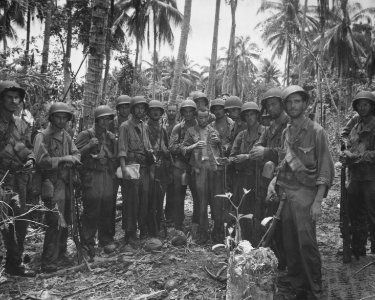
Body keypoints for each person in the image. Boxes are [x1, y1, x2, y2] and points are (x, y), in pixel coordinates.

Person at [269, 85, 334, 300]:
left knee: (307, 244)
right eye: (289, 102)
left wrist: (317, 202)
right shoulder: (286, 132)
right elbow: (283, 162)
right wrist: (274, 182)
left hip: (306, 194)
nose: (293, 105)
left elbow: (325, 167)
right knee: (290, 243)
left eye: (297, 101)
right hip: (287, 193)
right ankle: (298, 287)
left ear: (305, 104)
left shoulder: (317, 131)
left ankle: (314, 290)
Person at [34, 102, 81, 273]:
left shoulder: (66, 136)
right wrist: (62, 160)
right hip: (51, 184)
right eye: (58, 117)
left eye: (65, 117)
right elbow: (41, 161)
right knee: (54, 220)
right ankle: (49, 261)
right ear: (51, 117)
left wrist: (72, 158)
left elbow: (76, 153)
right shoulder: (43, 136)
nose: (61, 120)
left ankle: (61, 253)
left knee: (66, 219)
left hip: (66, 183)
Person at [249, 87, 289, 269]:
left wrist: (266, 152)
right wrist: (261, 149)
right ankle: (273, 257)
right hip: (266, 179)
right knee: (267, 216)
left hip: (284, 179)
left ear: (282, 104)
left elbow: (288, 153)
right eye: (268, 105)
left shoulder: (289, 125)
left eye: (274, 104)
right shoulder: (270, 127)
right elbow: (257, 145)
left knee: (282, 221)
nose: (271, 108)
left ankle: (285, 262)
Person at [0, 81, 35, 276]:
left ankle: (14, 264)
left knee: (20, 221)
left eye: (17, 98)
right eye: (9, 97)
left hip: (17, 179)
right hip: (1, 178)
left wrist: (30, 159)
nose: (14, 101)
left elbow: (26, 147)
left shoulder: (21, 123)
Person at [75, 105, 117, 257]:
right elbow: (75, 155)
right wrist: (89, 146)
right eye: (103, 118)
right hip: (91, 176)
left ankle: (105, 240)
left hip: (107, 175)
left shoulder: (110, 136)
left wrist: (115, 143)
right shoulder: (85, 134)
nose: (106, 121)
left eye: (108, 118)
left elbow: (115, 156)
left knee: (107, 207)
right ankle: (87, 244)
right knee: (91, 210)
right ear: (97, 119)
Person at [340, 91, 375, 258]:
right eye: (359, 105)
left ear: (371, 106)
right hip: (355, 176)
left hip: (371, 177)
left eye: (366, 104)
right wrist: (346, 150)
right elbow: (345, 138)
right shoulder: (355, 125)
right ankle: (358, 248)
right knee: (354, 213)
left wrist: (359, 156)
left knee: (372, 214)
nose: (362, 107)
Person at [182, 108, 222, 244]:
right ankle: (203, 233)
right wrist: (193, 145)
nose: (203, 120)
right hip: (199, 170)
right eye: (200, 118)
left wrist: (219, 142)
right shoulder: (191, 131)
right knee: (201, 201)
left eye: (205, 117)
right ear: (196, 118)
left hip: (213, 170)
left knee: (216, 201)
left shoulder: (213, 131)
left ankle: (217, 233)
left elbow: (221, 152)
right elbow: (183, 149)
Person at [229, 102, 265, 245]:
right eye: (247, 115)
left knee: (259, 212)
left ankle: (259, 244)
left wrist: (248, 157)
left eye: (252, 114)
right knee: (242, 211)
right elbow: (232, 155)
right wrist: (237, 159)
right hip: (243, 178)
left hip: (260, 178)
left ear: (257, 115)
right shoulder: (241, 135)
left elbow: (270, 153)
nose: (250, 117)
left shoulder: (265, 132)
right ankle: (244, 243)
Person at [118, 96, 152, 244]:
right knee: (131, 201)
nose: (140, 110)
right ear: (132, 109)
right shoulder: (125, 126)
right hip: (131, 165)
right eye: (137, 107)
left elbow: (148, 146)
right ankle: (129, 233)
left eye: (143, 108)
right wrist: (124, 168)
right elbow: (122, 149)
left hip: (143, 167)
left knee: (144, 199)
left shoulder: (144, 126)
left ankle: (142, 229)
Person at [169, 99, 199, 232]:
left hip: (196, 166)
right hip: (180, 166)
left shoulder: (200, 126)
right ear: (182, 113)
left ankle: (196, 223)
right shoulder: (178, 128)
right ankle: (178, 224)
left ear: (194, 112)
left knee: (197, 195)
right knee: (178, 195)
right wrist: (184, 148)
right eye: (185, 111)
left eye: (190, 111)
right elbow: (171, 147)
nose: (188, 114)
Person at [209, 98, 234, 242]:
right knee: (216, 198)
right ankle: (217, 228)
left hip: (230, 166)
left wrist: (224, 146)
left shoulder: (232, 124)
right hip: (216, 167)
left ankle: (229, 230)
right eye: (215, 109)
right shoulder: (211, 125)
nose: (218, 111)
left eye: (220, 108)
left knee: (229, 197)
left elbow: (235, 141)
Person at [146, 100, 171, 236]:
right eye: (152, 110)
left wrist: (165, 151)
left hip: (161, 169)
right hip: (148, 168)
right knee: (148, 198)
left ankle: (158, 225)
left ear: (161, 113)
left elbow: (168, 152)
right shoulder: (144, 128)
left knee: (160, 198)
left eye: (158, 110)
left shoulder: (163, 130)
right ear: (148, 112)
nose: (155, 113)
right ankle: (148, 228)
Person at [164, 104, 178, 223]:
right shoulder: (162, 125)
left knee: (173, 189)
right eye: (170, 111)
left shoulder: (178, 126)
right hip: (163, 161)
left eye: (174, 111)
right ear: (166, 112)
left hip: (175, 161)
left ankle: (171, 215)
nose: (171, 113)